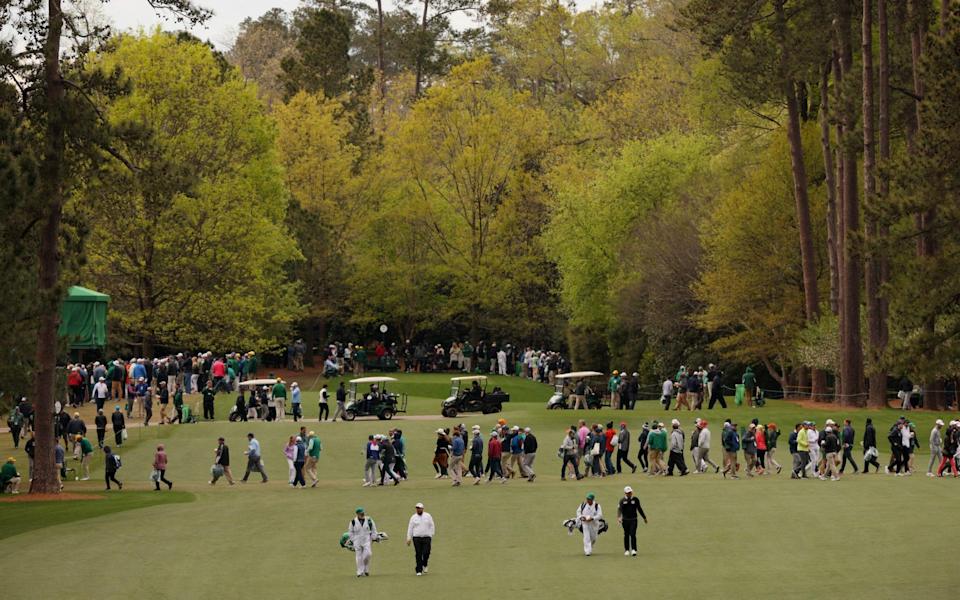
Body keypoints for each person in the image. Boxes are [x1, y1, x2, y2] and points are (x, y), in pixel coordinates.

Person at [406, 502, 436, 576]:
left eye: (419, 508)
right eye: (417, 508)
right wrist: (408, 537)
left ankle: (425, 564)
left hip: (427, 537)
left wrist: (431, 534)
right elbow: (410, 528)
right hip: (416, 538)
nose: (418, 510)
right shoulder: (413, 517)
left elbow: (432, 525)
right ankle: (418, 570)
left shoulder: (428, 516)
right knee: (418, 553)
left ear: (422, 509)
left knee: (426, 552)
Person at [617, 486, 647, 556]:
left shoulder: (635, 499)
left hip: (634, 520)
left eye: (630, 492)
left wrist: (644, 517)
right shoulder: (622, 500)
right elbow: (619, 509)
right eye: (628, 493)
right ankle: (627, 550)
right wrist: (619, 517)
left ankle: (634, 549)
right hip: (625, 520)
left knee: (633, 534)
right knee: (626, 534)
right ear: (625, 493)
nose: (629, 494)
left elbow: (639, 508)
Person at [348, 507, 378, 577]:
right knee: (358, 556)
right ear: (357, 514)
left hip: (366, 539)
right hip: (357, 540)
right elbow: (350, 532)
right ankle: (359, 572)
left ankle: (365, 568)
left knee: (368, 554)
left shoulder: (369, 520)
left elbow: (374, 529)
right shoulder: (353, 522)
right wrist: (353, 540)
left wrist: (374, 537)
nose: (362, 514)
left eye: (363, 513)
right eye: (361, 513)